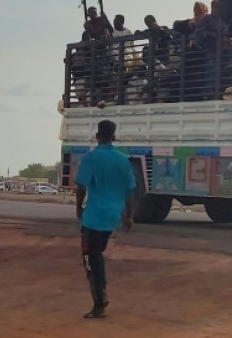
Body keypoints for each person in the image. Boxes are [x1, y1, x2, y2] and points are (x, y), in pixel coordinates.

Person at [74, 120, 136, 319]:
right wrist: (129, 216)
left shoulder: (91, 158)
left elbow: (81, 187)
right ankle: (100, 294)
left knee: (90, 259)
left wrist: (78, 207)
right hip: (113, 216)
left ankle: (99, 301)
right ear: (114, 137)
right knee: (97, 253)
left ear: (97, 136)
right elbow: (129, 192)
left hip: (94, 216)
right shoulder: (123, 160)